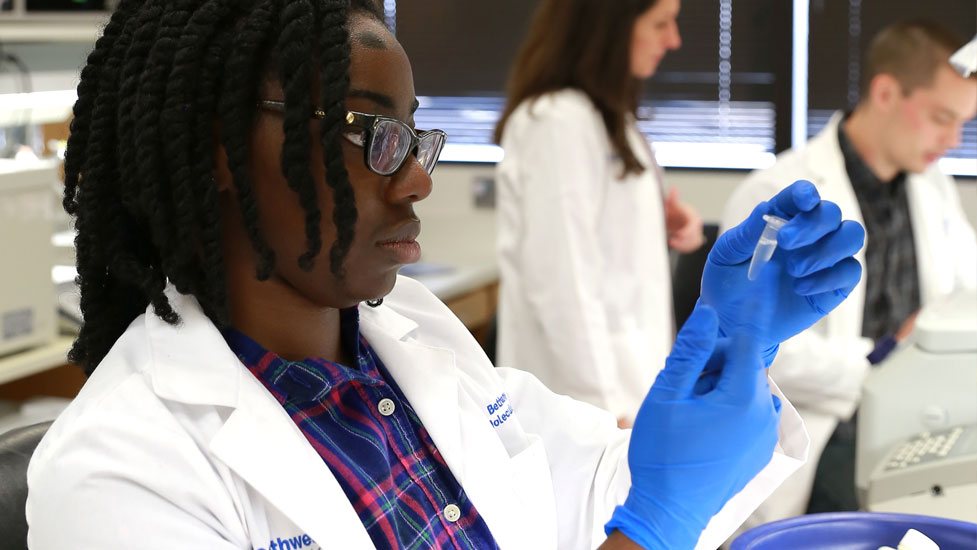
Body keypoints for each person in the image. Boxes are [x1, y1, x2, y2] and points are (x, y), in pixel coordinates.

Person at [26, 1, 863, 549]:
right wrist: (649, 529)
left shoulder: (414, 339)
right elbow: (638, 520)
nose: (417, 179)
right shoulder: (117, 471)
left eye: (415, 138)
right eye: (370, 132)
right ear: (218, 149)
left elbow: (586, 495)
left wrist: (730, 358)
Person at [721, 19, 977, 529]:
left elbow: (964, 301)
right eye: (941, 117)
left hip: (915, 427)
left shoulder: (931, 187)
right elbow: (756, 347)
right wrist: (885, 356)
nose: (953, 139)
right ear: (885, 92)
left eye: (963, 123)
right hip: (823, 440)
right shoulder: (781, 192)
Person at [493, 0, 704, 426]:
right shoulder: (556, 122)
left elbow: (595, 236)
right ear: (611, 24)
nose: (674, 40)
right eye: (660, 23)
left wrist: (653, 220)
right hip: (590, 409)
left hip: (630, 389)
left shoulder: (607, 118)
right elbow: (561, 286)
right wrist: (607, 412)